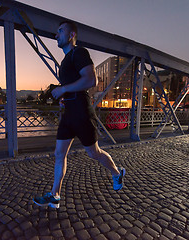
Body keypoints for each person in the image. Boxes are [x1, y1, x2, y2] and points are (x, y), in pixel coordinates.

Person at [33, 20, 126, 209]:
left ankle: (116, 173)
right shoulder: (66, 61)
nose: (56, 34)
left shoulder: (79, 52)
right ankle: (55, 195)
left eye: (60, 31)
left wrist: (63, 89)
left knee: (94, 152)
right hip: (68, 113)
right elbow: (76, 84)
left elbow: (91, 80)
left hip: (82, 112)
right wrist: (64, 96)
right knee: (59, 154)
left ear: (71, 35)